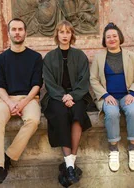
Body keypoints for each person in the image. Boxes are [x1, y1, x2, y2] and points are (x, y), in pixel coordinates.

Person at [0, 18, 43, 186]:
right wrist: (11, 104)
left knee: (33, 120)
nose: (17, 32)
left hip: (29, 98)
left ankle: (9, 156)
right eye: (14, 29)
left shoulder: (35, 57)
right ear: (9, 33)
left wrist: (23, 102)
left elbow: (37, 84)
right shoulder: (0, 59)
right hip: (5, 99)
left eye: (20, 29)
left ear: (25, 32)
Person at [41, 20, 92, 186]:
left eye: (68, 32)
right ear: (57, 35)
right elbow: (48, 82)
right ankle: (70, 166)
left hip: (77, 95)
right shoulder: (49, 57)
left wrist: (72, 96)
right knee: (61, 114)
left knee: (78, 114)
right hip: (56, 97)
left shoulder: (80, 56)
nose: (64, 35)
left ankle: (70, 164)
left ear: (72, 35)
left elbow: (84, 80)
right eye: (61, 32)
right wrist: (63, 96)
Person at [90, 22, 134, 172]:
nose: (112, 39)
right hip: (108, 97)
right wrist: (105, 95)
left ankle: (132, 148)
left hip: (128, 96)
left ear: (120, 37)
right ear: (104, 40)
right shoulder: (99, 57)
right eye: (108, 37)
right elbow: (93, 79)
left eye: (114, 36)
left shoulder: (131, 56)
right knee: (112, 113)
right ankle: (113, 149)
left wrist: (132, 93)